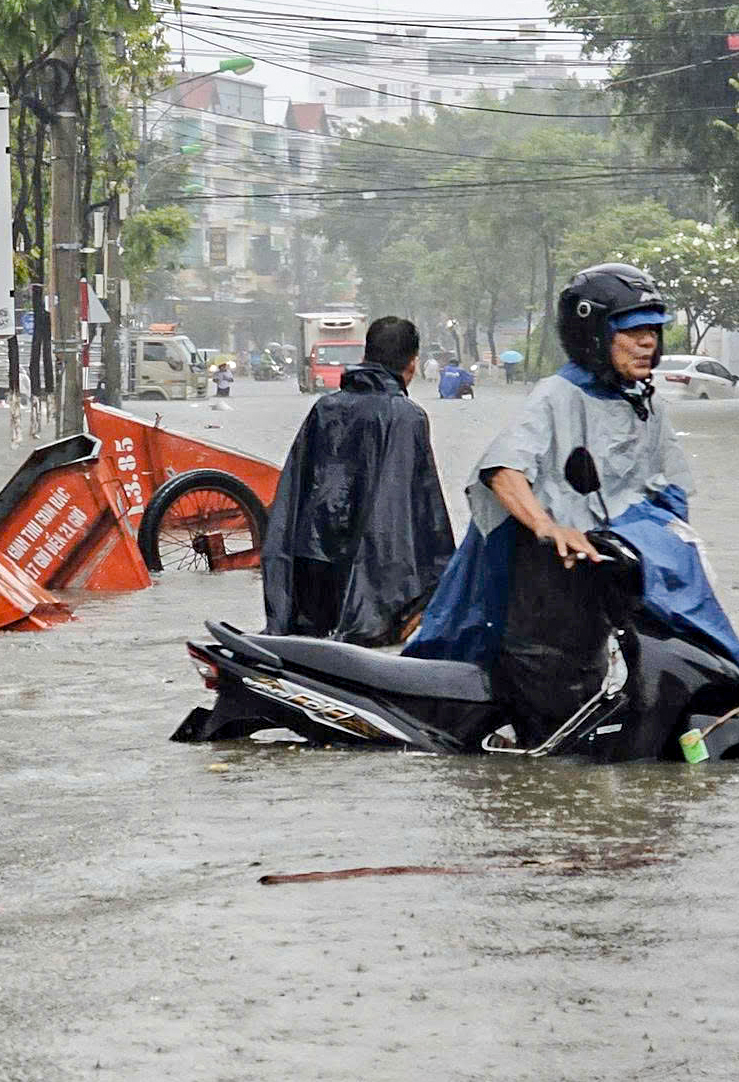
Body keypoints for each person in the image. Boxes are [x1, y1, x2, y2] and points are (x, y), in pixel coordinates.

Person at [405, 263, 694, 745]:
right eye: (633, 331)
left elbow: (669, 490)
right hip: (537, 595)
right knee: (553, 729)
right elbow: (503, 469)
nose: (648, 343)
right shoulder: (557, 395)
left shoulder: (645, 405)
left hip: (596, 593)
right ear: (596, 335)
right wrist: (546, 525)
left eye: (653, 331)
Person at [259, 315, 457, 646]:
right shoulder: (407, 416)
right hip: (375, 574)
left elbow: (293, 495)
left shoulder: (325, 408)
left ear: (366, 356)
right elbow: (421, 507)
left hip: (314, 565)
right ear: (412, 364)